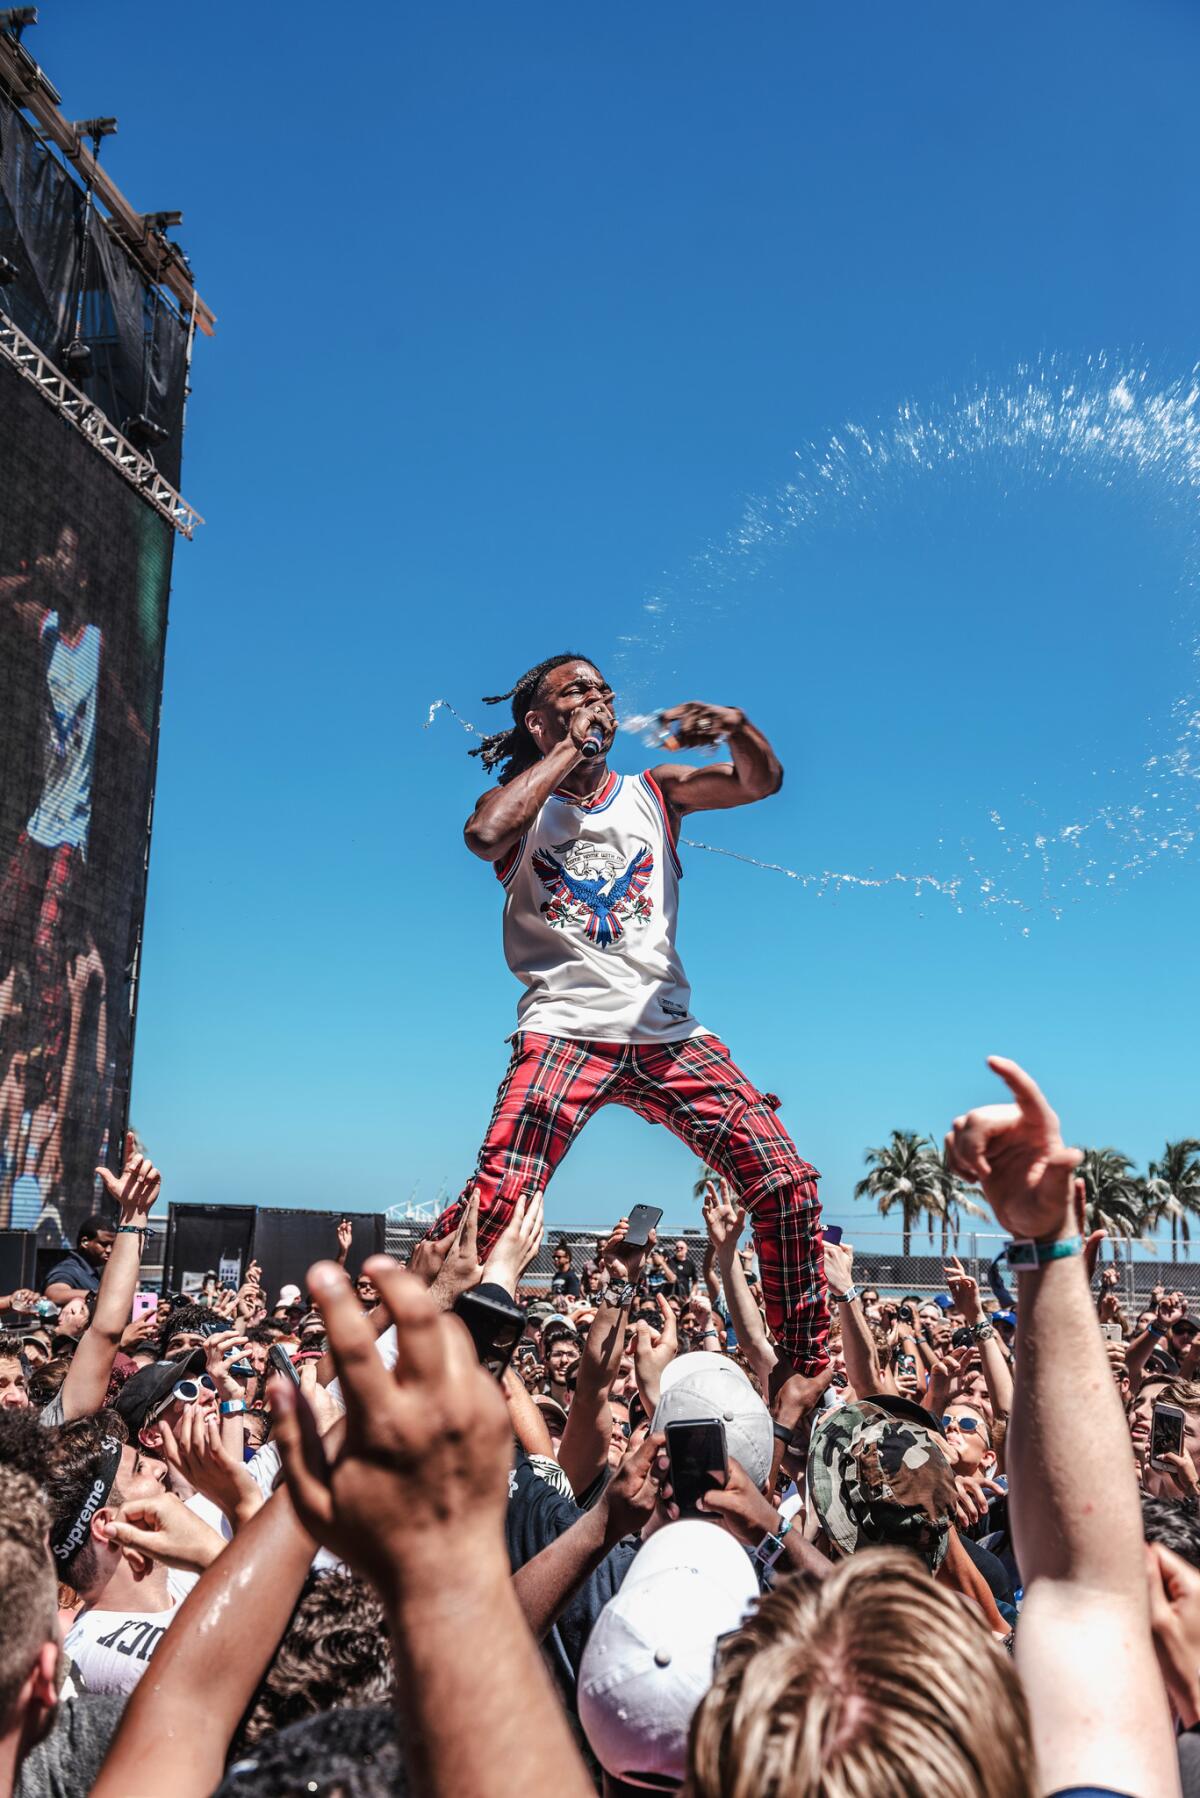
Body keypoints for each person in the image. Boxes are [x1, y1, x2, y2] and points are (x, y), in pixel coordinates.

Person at [430, 654, 828, 1380]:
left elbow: (759, 781)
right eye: (578, 692)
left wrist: (735, 726)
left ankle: (801, 1373)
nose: (599, 700)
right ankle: (432, 1360)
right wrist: (567, 753)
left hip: (668, 1035)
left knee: (785, 1184)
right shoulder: (527, 804)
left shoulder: (654, 793)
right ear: (539, 719)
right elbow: (485, 834)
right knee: (496, 1206)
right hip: (564, 1030)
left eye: (604, 692)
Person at [41, 1217, 113, 1306]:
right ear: (85, 1242)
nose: (109, 1250)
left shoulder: (94, 1271)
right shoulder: (68, 1269)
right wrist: (95, 1296)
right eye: (104, 1244)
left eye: (112, 1245)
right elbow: (54, 1294)